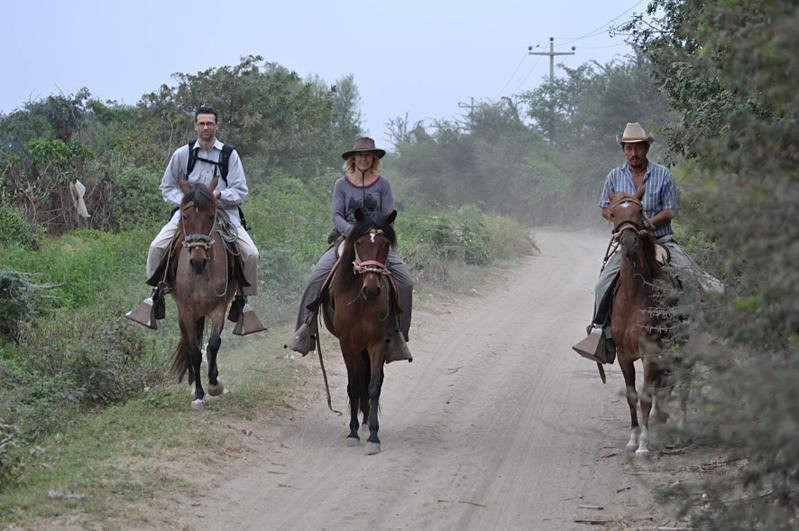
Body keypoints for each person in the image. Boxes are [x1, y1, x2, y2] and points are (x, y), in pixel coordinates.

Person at [586, 122, 722, 363]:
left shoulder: (662, 175)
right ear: (623, 150)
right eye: (628, 148)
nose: (633, 153)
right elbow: (604, 208)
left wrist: (648, 223)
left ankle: (694, 331)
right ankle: (601, 335)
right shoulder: (614, 176)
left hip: (661, 240)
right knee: (601, 285)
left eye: (637, 148)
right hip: (628, 242)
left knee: (690, 276)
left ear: (646, 148)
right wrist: (621, 221)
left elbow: (670, 210)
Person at [127, 106, 262, 331]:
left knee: (251, 254)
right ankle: (155, 297)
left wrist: (219, 196)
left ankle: (241, 302)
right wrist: (186, 201)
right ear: (196, 126)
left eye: (210, 123)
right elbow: (166, 186)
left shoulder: (229, 154)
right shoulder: (182, 154)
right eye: (202, 123)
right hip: (188, 214)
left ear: (216, 126)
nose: (206, 127)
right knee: (156, 247)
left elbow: (241, 190)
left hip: (222, 212)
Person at [285, 137, 413, 358]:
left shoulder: (383, 185)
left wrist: (376, 233)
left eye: (368, 155)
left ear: (373, 158)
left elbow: (389, 214)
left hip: (376, 242)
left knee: (406, 283)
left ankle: (398, 335)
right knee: (316, 278)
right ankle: (304, 331)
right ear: (353, 158)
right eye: (360, 155)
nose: (364, 158)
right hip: (347, 239)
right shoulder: (341, 184)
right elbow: (336, 214)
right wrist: (352, 233)